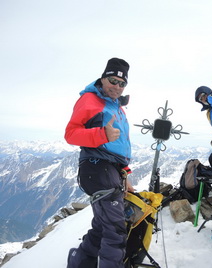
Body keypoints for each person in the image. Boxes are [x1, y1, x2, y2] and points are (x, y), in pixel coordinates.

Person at [65, 57, 134, 268]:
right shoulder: (89, 100)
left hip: (110, 169)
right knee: (115, 229)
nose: (117, 87)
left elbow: (118, 148)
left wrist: (125, 174)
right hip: (96, 167)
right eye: (113, 81)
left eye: (122, 84)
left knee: (104, 225)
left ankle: (80, 262)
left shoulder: (116, 108)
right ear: (103, 79)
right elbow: (71, 134)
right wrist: (101, 134)